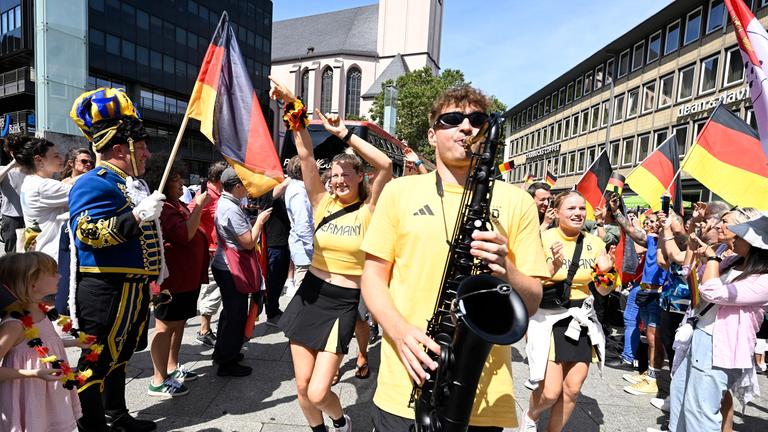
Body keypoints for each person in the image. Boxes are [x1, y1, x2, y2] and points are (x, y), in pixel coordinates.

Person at [361, 86, 547, 431]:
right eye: (452, 119)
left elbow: (533, 301)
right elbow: (372, 278)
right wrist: (400, 332)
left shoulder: (518, 201)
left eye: (477, 119)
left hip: (482, 398)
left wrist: (506, 268)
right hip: (405, 381)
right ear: (431, 135)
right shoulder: (399, 192)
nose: (466, 127)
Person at [271, 76, 393, 432]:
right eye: (334, 175)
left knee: (320, 389)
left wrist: (344, 134)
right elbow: (306, 153)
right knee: (301, 388)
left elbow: (385, 165)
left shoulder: (370, 208)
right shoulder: (320, 201)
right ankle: (320, 430)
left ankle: (341, 421)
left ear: (359, 178)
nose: (337, 180)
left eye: (345, 175)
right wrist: (292, 106)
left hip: (343, 301)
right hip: (310, 294)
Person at [68, 87, 164, 432]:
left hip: (132, 287)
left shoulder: (129, 184)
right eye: (141, 147)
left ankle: (116, 415)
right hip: (105, 288)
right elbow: (88, 232)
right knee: (96, 361)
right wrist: (137, 217)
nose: (147, 153)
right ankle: (91, 426)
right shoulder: (94, 182)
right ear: (120, 149)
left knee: (120, 358)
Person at [521, 191, 616, 432]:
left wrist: (606, 272)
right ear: (557, 212)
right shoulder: (541, 237)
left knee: (573, 387)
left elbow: (604, 291)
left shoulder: (596, 243)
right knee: (551, 391)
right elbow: (528, 282)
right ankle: (531, 416)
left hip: (581, 317)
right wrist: (552, 266)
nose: (578, 213)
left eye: (582, 209)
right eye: (571, 208)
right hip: (549, 317)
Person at [669, 213, 768, 431]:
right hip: (701, 333)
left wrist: (713, 258)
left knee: (701, 411)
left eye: (742, 236)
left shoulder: (764, 279)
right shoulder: (734, 260)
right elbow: (700, 279)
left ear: (755, 245)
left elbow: (713, 292)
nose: (736, 238)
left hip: (721, 345)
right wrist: (703, 256)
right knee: (680, 396)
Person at [143, 156, 210, 397]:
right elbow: (185, 235)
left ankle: (171, 367)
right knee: (165, 327)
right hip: (171, 281)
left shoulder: (174, 203)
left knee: (178, 324)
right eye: (175, 179)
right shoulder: (162, 207)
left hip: (185, 279)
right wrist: (199, 206)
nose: (180, 183)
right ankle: (158, 379)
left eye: (181, 177)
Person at [0, 252, 83, 432]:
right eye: (53, 272)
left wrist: (74, 343)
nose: (60, 275)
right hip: (28, 394)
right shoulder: (15, 325)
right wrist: (34, 373)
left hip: (48, 392)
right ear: (32, 283)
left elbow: (43, 344)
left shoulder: (40, 310)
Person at [210, 167, 272, 377]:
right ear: (237, 186)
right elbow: (247, 242)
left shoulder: (228, 203)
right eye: (245, 184)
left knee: (231, 313)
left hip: (227, 266)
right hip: (230, 269)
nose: (248, 188)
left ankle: (224, 353)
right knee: (235, 316)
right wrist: (260, 221)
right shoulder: (231, 208)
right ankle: (227, 362)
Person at [8, 135, 70, 259]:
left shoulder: (30, 181)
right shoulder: (43, 186)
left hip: (41, 251)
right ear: (39, 160)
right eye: (56, 156)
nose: (62, 159)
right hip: (53, 254)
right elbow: (86, 190)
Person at [284, 155, 314, 296]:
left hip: (304, 251)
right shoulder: (299, 192)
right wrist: (312, 249)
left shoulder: (298, 188)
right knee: (305, 298)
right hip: (305, 253)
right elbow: (303, 225)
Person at [0, 138, 26, 253]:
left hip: (29, 216)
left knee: (27, 251)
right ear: (10, 152)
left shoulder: (31, 170)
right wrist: (12, 165)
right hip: (10, 218)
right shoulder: (4, 169)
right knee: (11, 252)